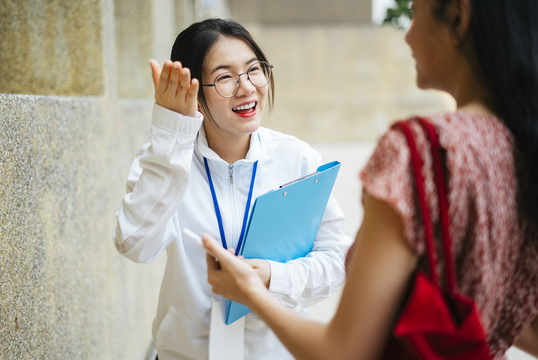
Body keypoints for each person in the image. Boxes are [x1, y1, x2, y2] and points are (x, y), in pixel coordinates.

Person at [204, 0, 538, 359]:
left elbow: (343, 353)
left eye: (414, 13)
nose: (407, 35)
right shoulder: (521, 143)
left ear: (458, 15)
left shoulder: (420, 150)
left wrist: (249, 291)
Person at [112, 18, 351, 360]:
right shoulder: (164, 161)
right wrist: (171, 135)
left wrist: (272, 277)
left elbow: (336, 259)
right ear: (193, 89)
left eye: (254, 70)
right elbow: (134, 244)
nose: (247, 87)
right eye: (225, 77)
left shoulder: (297, 160)